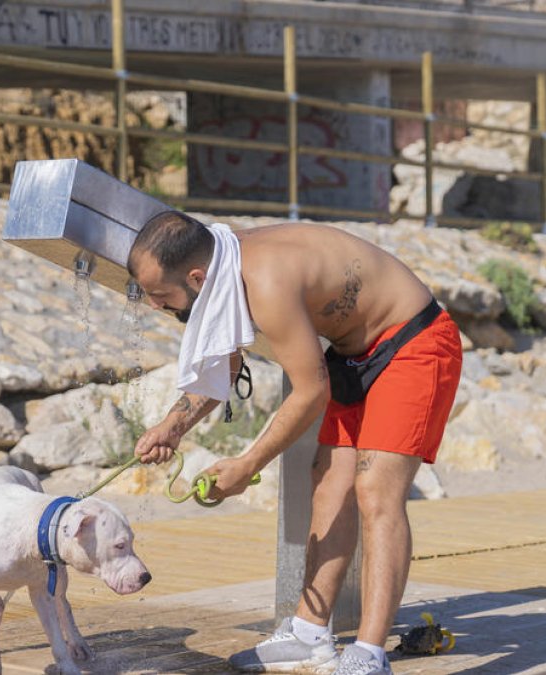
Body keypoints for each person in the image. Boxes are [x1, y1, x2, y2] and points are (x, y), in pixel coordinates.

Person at [127, 211, 462, 675]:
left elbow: (310, 391)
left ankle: (369, 654)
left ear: (196, 276)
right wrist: (171, 427)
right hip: (354, 353)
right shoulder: (224, 264)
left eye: (160, 295)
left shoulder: (263, 280)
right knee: (328, 488)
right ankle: (308, 634)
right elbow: (223, 365)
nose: (154, 305)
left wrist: (247, 465)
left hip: (414, 343)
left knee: (375, 493)